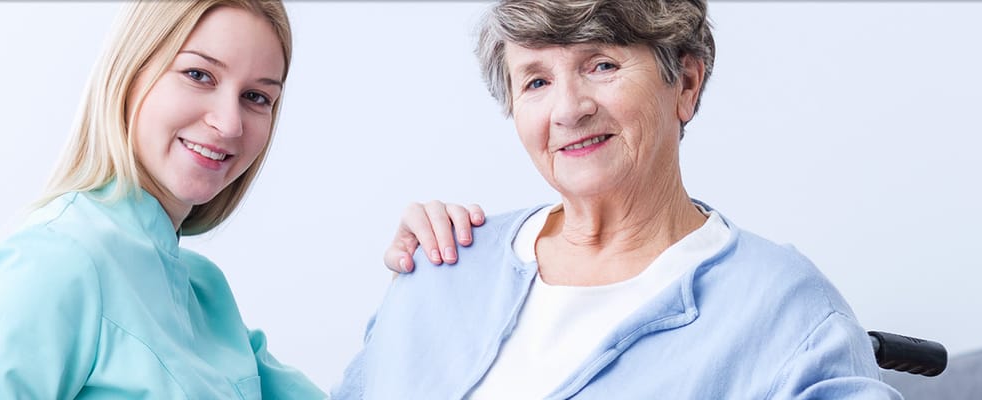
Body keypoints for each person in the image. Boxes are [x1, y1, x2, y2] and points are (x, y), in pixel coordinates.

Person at [337, 0, 903, 399]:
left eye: (601, 65)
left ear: (685, 83)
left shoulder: (784, 309)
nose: (568, 109)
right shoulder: (443, 263)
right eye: (535, 81)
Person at [0, 1, 482, 397]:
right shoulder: (55, 262)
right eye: (198, 74)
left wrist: (433, 276)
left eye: (257, 97)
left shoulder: (203, 292)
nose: (228, 122)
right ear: (130, 71)